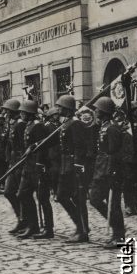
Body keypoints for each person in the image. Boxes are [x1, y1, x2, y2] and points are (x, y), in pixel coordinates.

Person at [89, 96, 124, 248]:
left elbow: (115, 152)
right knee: (95, 199)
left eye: (97, 109)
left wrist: (114, 171)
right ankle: (115, 227)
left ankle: (119, 235)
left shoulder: (112, 128)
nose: (95, 111)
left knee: (113, 204)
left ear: (103, 112)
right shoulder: (103, 126)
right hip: (102, 168)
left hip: (111, 170)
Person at [55, 95, 89, 243]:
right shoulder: (67, 122)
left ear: (67, 108)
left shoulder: (75, 124)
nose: (58, 109)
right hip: (65, 165)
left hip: (73, 165)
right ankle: (81, 226)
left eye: (60, 107)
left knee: (78, 198)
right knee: (62, 196)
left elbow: (80, 146)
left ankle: (82, 230)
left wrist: (78, 165)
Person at [16, 100, 47, 239]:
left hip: (36, 166)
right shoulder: (28, 125)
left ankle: (47, 227)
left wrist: (40, 165)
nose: (21, 114)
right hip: (28, 165)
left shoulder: (38, 126)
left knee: (42, 198)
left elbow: (42, 148)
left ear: (29, 113)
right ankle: (32, 225)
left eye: (23, 112)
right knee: (22, 194)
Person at [2, 99, 26, 234]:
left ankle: (24, 221)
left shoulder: (20, 124)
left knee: (19, 193)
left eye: (8, 110)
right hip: (13, 162)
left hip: (20, 162)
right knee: (9, 192)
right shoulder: (11, 124)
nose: (5, 112)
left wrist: (21, 162)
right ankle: (21, 219)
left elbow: (23, 145)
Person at [121, 101, 137, 216]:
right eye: (134, 109)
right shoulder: (124, 122)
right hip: (128, 157)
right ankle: (128, 205)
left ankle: (135, 205)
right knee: (128, 181)